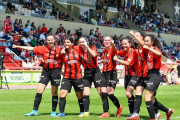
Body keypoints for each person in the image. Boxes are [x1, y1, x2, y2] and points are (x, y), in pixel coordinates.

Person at [12, 35, 63, 117]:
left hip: (55, 72)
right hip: (45, 72)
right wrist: (17, 46)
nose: (50, 41)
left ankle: (53, 111)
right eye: (49, 40)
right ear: (47, 41)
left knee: (54, 92)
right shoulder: (43, 48)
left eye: (52, 40)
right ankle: (34, 110)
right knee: (39, 90)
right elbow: (30, 48)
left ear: (54, 40)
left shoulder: (60, 49)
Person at [129, 32, 174, 120]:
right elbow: (142, 44)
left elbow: (159, 54)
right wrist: (135, 37)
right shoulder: (146, 49)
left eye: (147, 41)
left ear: (152, 42)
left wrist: (148, 48)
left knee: (147, 98)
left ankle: (152, 118)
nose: (145, 43)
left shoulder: (155, 49)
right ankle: (167, 111)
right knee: (152, 100)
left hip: (154, 75)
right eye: (144, 41)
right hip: (148, 74)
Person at [127, 31, 161, 119]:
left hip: (149, 74)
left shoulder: (146, 48)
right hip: (141, 74)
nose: (135, 38)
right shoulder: (139, 48)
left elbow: (158, 54)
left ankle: (159, 112)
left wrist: (134, 35)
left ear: (142, 38)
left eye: (137, 36)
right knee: (141, 94)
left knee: (149, 97)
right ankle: (136, 113)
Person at [55, 37, 84, 117]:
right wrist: (60, 70)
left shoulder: (77, 49)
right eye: (65, 42)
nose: (66, 44)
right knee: (62, 93)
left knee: (79, 95)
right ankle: (61, 112)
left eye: (68, 42)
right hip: (66, 76)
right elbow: (60, 62)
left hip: (77, 76)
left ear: (72, 43)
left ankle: (82, 111)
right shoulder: (63, 52)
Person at [113, 37, 139, 118]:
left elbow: (128, 63)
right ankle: (133, 112)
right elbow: (115, 52)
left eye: (125, 44)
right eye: (122, 44)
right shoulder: (124, 51)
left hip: (134, 75)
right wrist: (113, 44)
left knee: (128, 93)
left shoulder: (133, 52)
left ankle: (136, 111)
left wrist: (117, 60)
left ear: (130, 44)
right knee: (129, 95)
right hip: (127, 75)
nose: (123, 45)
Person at [97, 36, 122, 118]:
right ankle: (105, 113)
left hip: (112, 73)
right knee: (103, 93)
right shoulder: (103, 51)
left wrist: (113, 45)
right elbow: (103, 60)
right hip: (103, 73)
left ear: (111, 41)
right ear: (103, 42)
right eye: (105, 40)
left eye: (109, 40)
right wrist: (96, 63)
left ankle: (119, 107)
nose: (107, 41)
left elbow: (114, 50)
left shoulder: (113, 49)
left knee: (110, 94)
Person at [77, 37, 102, 117]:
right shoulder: (79, 49)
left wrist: (87, 47)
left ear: (86, 42)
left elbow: (94, 55)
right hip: (87, 72)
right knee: (86, 93)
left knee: (100, 92)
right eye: (80, 42)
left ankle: (106, 110)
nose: (82, 43)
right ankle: (86, 112)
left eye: (83, 42)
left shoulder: (92, 47)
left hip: (95, 71)